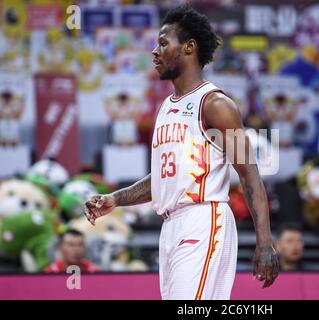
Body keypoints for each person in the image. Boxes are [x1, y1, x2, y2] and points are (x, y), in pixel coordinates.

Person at [84, 5, 279, 300]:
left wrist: (264, 242)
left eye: (163, 43)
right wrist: (116, 198)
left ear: (189, 47)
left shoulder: (215, 104)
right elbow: (164, 178)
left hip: (203, 218)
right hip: (171, 225)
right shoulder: (167, 107)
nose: (154, 51)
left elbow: (249, 172)